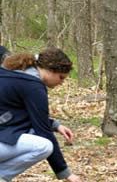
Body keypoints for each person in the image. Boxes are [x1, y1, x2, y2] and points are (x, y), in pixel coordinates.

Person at [0, 48, 82, 182]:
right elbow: (43, 131)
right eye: (61, 77)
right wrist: (66, 173)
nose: (61, 82)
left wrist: (55, 125)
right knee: (44, 146)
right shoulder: (33, 86)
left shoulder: (12, 75)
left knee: (31, 133)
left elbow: (20, 115)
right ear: (50, 70)